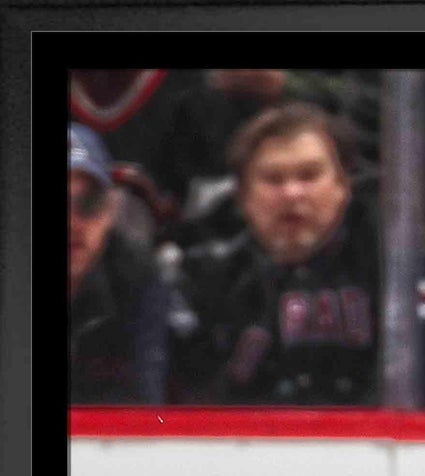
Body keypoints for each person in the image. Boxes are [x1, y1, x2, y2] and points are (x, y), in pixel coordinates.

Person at [168, 102, 380, 405]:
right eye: (273, 179)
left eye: (309, 175)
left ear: (343, 186)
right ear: (242, 196)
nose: (292, 193)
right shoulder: (205, 281)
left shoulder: (394, 269)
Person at [68, 123, 170, 404]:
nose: (72, 223)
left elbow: (145, 403)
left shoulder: (137, 278)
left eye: (88, 203)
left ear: (110, 209)